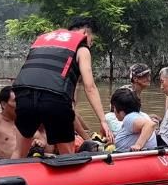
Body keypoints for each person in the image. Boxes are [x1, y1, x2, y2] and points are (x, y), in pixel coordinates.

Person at [11, 17, 114, 158]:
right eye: (92, 40)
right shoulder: (82, 48)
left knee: (19, 151)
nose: (91, 44)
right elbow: (89, 87)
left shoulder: (43, 41)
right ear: (85, 33)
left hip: (23, 95)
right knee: (68, 156)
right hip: (54, 98)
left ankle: (10, 176)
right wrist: (103, 121)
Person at [0, 86, 46, 159]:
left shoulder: (25, 120)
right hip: (5, 165)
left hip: (27, 162)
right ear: (4, 104)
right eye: (16, 101)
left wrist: (38, 142)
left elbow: (41, 140)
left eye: (21, 100)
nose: (21, 104)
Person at [105, 63, 158, 136]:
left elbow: (131, 115)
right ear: (135, 79)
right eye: (144, 76)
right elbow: (121, 115)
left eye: (148, 75)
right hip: (118, 121)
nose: (148, 78)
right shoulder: (128, 93)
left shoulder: (136, 92)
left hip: (126, 120)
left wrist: (148, 117)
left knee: (154, 120)